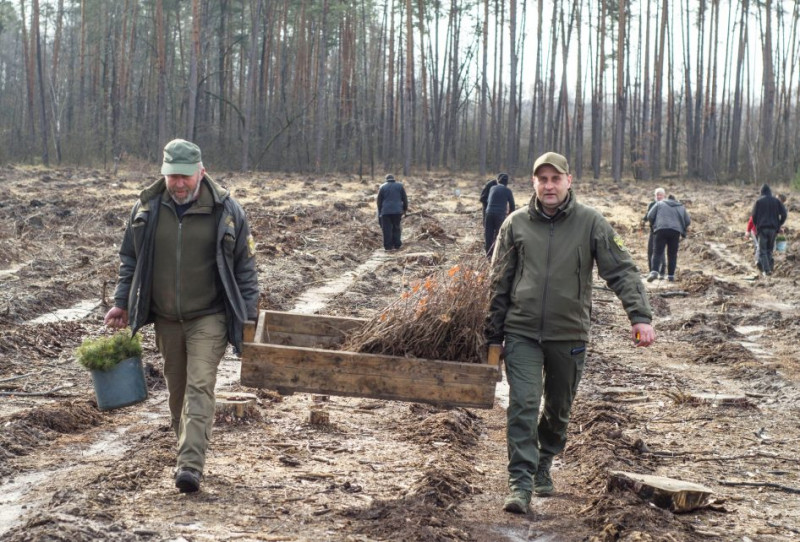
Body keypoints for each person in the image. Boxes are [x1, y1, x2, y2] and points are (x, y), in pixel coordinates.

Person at [486, 151, 654, 515]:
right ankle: (521, 481)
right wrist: (492, 335)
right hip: (522, 331)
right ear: (533, 183)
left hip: (569, 334)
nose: (549, 186)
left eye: (555, 179)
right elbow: (497, 282)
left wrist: (639, 316)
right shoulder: (515, 224)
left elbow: (622, 270)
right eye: (542, 179)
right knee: (524, 404)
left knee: (558, 409)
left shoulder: (591, 223)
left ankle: (544, 459)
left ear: (568, 180)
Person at [104, 139, 259, 493]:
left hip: (210, 316)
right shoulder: (146, 210)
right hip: (166, 319)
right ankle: (186, 449)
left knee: (200, 384)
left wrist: (248, 319)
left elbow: (245, 270)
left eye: (185, 177)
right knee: (177, 393)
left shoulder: (227, 211)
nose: (178, 184)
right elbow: (130, 260)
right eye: (172, 176)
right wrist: (122, 302)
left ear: (201, 172)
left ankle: (190, 465)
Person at [645, 194, 691, 282]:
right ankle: (670, 276)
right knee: (672, 254)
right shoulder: (681, 207)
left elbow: (649, 216)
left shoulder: (659, 204)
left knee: (657, 252)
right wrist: (682, 227)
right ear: (675, 200)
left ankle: (654, 272)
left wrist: (653, 225)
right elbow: (688, 221)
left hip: (661, 229)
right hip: (675, 232)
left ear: (667, 199)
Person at [750, 183, 788, 276]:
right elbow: (784, 214)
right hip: (773, 229)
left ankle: (767, 271)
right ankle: (770, 268)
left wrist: (757, 225)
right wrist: (779, 224)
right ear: (770, 192)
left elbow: (753, 216)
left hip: (762, 229)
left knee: (763, 250)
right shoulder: (776, 201)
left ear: (761, 192)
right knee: (770, 250)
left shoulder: (758, 201)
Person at [484, 173, 515, 257]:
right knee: (499, 235)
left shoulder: (492, 188)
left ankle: (488, 254)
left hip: (489, 212)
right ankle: (496, 254)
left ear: (498, 181)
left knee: (488, 234)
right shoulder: (508, 191)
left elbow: (488, 201)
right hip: (500, 214)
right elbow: (512, 205)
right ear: (506, 182)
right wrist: (509, 215)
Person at [376, 174, 408, 251]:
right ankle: (397, 245)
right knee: (396, 227)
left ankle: (388, 246)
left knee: (386, 229)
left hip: (385, 211)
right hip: (397, 211)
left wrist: (380, 211)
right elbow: (405, 199)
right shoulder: (400, 186)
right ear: (394, 179)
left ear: (386, 179)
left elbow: (379, 201)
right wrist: (404, 209)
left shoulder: (382, 187)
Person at [642, 188, 666, 278]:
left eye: (660, 195)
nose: (659, 196)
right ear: (655, 196)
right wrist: (643, 220)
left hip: (661, 231)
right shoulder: (652, 204)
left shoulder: (665, 205)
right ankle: (651, 271)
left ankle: (662, 273)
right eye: (657, 195)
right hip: (653, 230)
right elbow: (648, 215)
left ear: (664, 196)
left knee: (661, 251)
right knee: (650, 250)